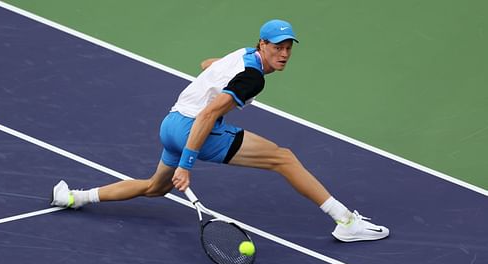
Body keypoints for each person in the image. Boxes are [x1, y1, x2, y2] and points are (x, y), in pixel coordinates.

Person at [51, 19, 389, 242]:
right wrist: (187, 163)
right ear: (263, 44)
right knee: (283, 159)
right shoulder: (253, 77)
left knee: (155, 188)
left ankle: (74, 197)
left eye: (288, 47)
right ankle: (345, 222)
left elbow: (206, 65)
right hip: (193, 129)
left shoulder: (242, 55)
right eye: (277, 47)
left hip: (170, 124)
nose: (284, 53)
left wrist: (218, 76)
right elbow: (210, 114)